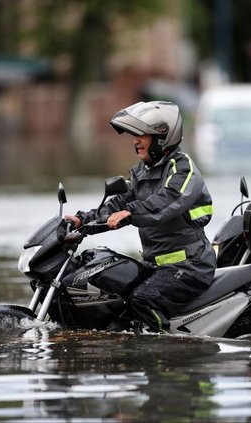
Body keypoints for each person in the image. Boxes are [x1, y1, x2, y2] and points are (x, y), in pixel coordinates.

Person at [65, 100, 216, 332]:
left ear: (161, 137)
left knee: (143, 300)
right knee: (114, 292)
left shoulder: (182, 169)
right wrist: (81, 220)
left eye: (141, 135)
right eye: (134, 135)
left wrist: (131, 213)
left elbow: (170, 200)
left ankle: (162, 353)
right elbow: (118, 203)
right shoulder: (141, 172)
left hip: (190, 266)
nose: (135, 141)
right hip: (155, 265)